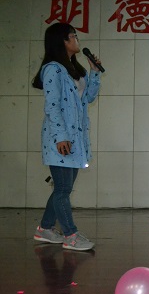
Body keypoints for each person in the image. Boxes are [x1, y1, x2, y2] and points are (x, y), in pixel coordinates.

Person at [31, 22, 103, 251]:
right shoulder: (53, 69)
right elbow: (52, 106)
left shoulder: (74, 69)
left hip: (75, 138)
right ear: (61, 41)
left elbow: (88, 98)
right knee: (63, 189)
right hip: (59, 139)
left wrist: (94, 72)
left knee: (63, 188)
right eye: (72, 35)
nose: (76, 39)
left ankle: (45, 229)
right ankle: (70, 235)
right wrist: (61, 137)